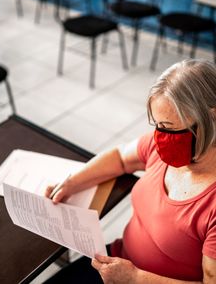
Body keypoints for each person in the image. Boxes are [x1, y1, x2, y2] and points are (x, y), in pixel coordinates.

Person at [44, 59, 216, 284]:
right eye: (157, 125)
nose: (159, 137)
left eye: (169, 128)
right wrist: (72, 182)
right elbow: (120, 158)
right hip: (116, 261)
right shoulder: (160, 148)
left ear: (211, 118)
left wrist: (135, 278)